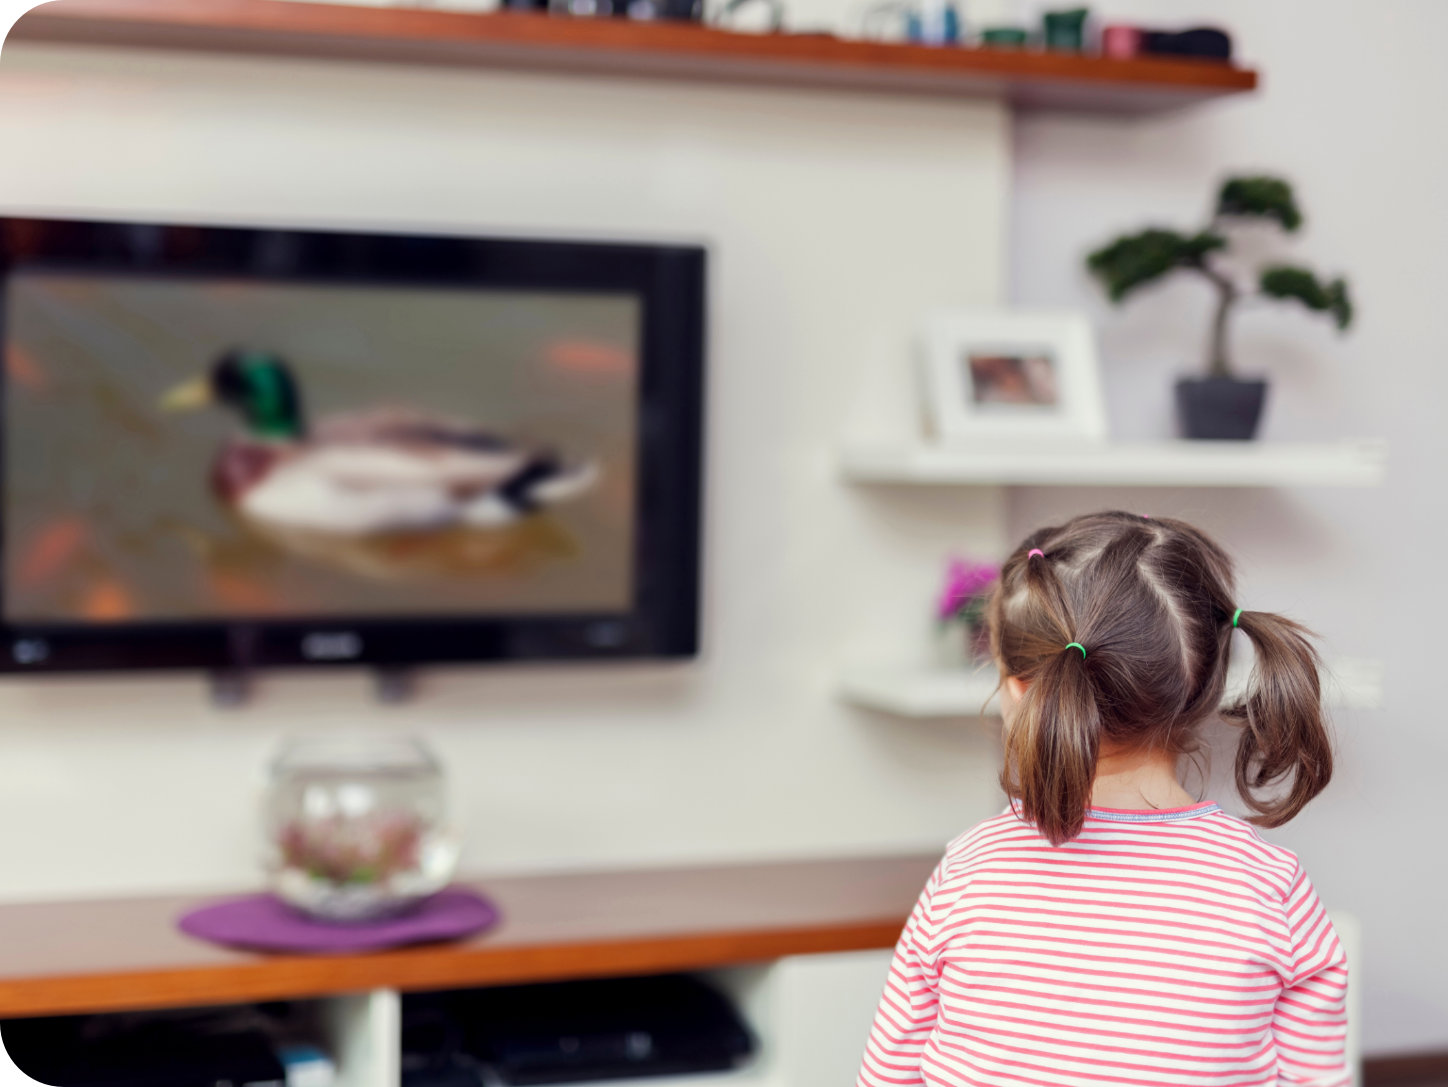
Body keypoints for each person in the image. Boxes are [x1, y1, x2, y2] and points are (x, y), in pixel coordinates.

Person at [857, 511, 1348, 1087]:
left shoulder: (969, 868)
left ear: (1019, 687)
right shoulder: (1269, 883)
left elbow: (888, 1074)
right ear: (1205, 686)